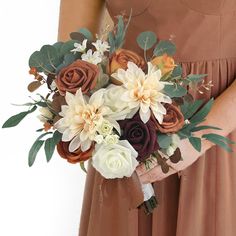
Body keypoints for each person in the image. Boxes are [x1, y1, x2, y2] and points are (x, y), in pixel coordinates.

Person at [58, 0, 236, 235]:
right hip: (128, 141)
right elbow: (71, 56)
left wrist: (199, 140)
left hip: (221, 140)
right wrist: (103, 135)